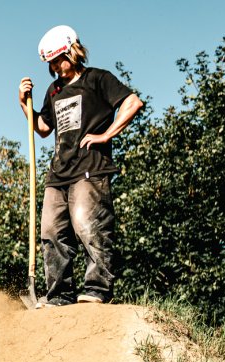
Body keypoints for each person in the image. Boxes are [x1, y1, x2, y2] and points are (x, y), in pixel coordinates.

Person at [18, 24, 144, 306]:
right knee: (51, 233)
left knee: (88, 226)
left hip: (90, 168)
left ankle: (97, 289)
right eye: (50, 63)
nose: (55, 67)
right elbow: (42, 128)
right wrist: (24, 104)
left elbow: (133, 103)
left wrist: (106, 134)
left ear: (72, 52)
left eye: (58, 60)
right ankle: (59, 295)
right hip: (58, 174)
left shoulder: (97, 79)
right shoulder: (54, 90)